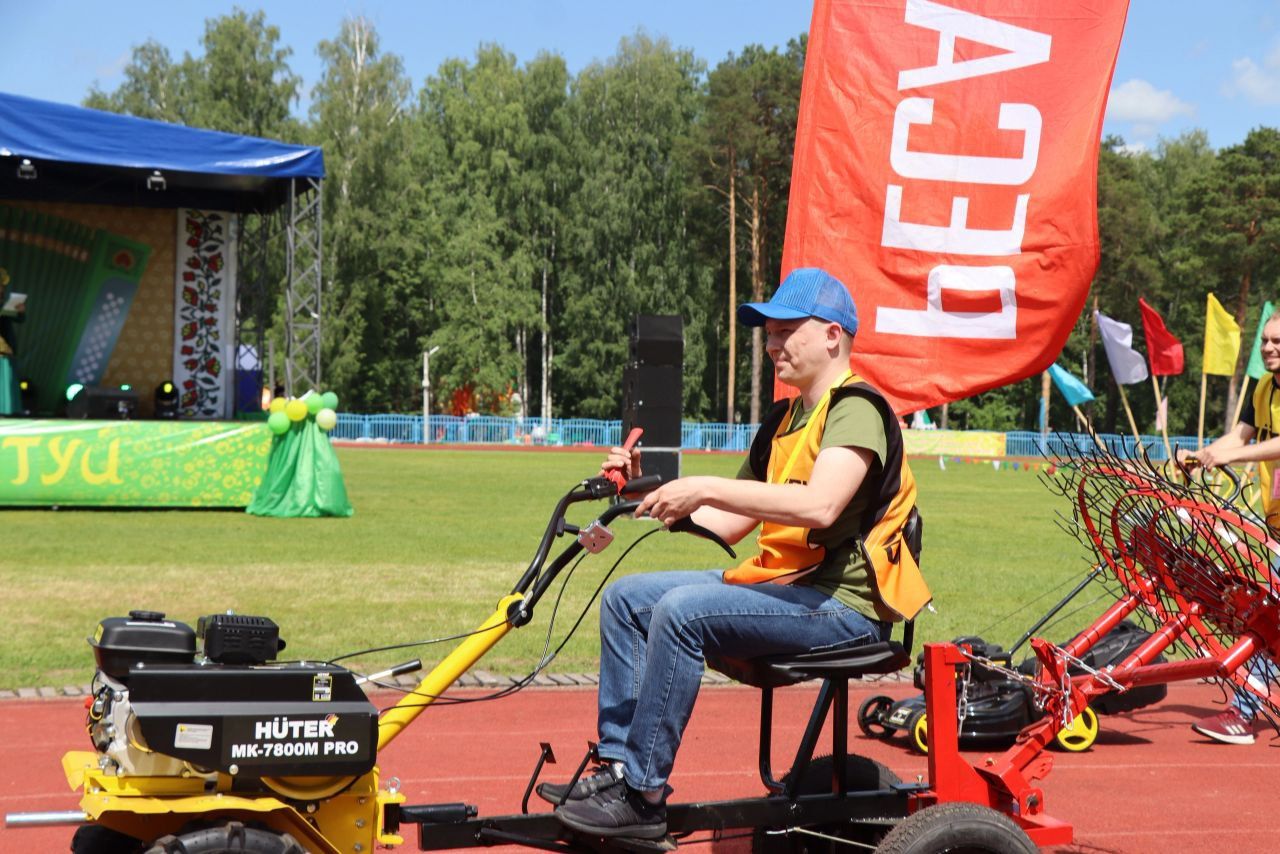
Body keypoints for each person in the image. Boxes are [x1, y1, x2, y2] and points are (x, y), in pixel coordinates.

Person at [545, 268, 930, 839]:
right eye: (768, 333)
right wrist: (643, 493)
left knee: (681, 612)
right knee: (627, 599)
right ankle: (618, 767)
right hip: (789, 591)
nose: (771, 344)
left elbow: (822, 507)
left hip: (845, 610)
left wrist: (703, 484)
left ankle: (643, 794)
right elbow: (727, 522)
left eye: (783, 331)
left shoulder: (857, 408)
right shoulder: (782, 419)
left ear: (831, 334)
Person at [1178, 312, 1280, 745]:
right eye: (1265, 342)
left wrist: (1228, 459)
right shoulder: (1262, 388)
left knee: (1271, 617)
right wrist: (1201, 455)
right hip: (1277, 521)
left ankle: (1243, 711)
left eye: (1278, 341)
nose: (1269, 348)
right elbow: (1239, 437)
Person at [0, 267, 25, 416]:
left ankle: (5, 410)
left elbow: (19, 319)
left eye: (2, 286)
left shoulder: (5, 303)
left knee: (6, 378)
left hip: (6, 346)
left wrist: (21, 310)